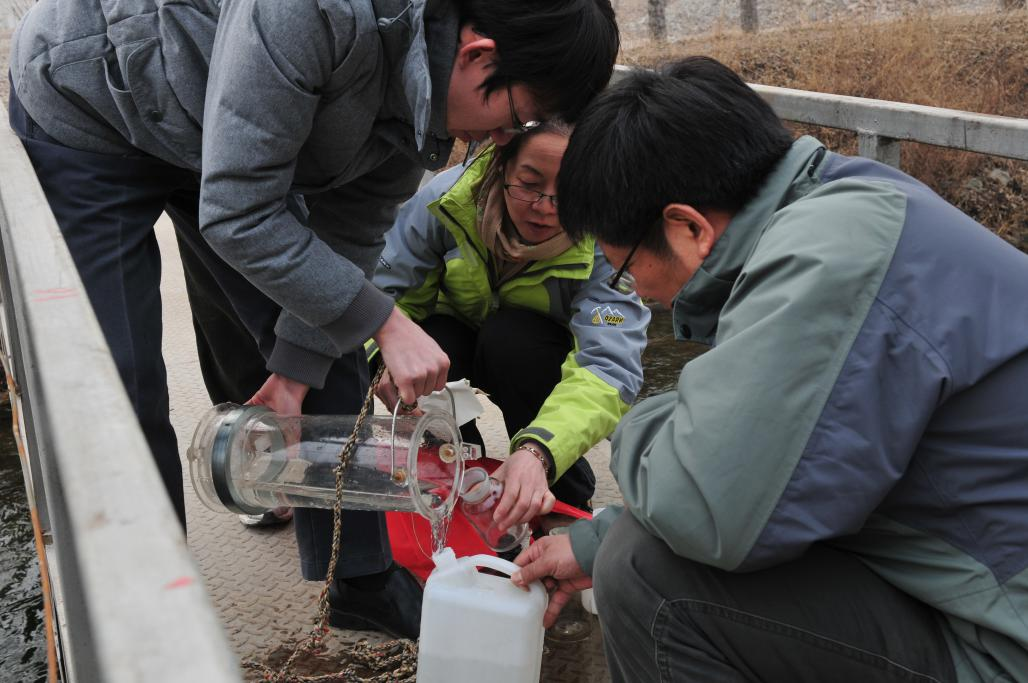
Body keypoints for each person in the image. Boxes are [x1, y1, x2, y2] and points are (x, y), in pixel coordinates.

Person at [7, 0, 619, 639]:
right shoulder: (313, 12)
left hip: (231, 143)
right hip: (96, 106)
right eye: (513, 118)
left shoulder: (425, 106)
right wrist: (387, 320)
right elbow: (241, 214)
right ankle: (144, 619)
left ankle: (361, 582)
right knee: (119, 384)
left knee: (331, 349)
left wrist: (295, 371)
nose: (500, 139)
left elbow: (351, 232)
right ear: (477, 56)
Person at [513, 57, 1028, 682]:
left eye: (624, 268)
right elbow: (794, 473)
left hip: (1001, 644)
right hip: (972, 599)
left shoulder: (829, 260)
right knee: (626, 547)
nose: (641, 294)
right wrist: (594, 537)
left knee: (648, 575)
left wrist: (647, 424)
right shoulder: (853, 204)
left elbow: (709, 510)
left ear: (686, 228)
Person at [370, 120, 649, 534]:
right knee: (427, 340)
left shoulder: (609, 239)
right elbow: (384, 297)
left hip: (533, 356)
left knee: (511, 339)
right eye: (529, 184)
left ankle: (560, 493)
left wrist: (540, 452)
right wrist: (384, 359)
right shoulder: (445, 202)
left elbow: (609, 367)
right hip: (453, 340)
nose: (545, 206)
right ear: (499, 167)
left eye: (569, 191)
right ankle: (450, 466)